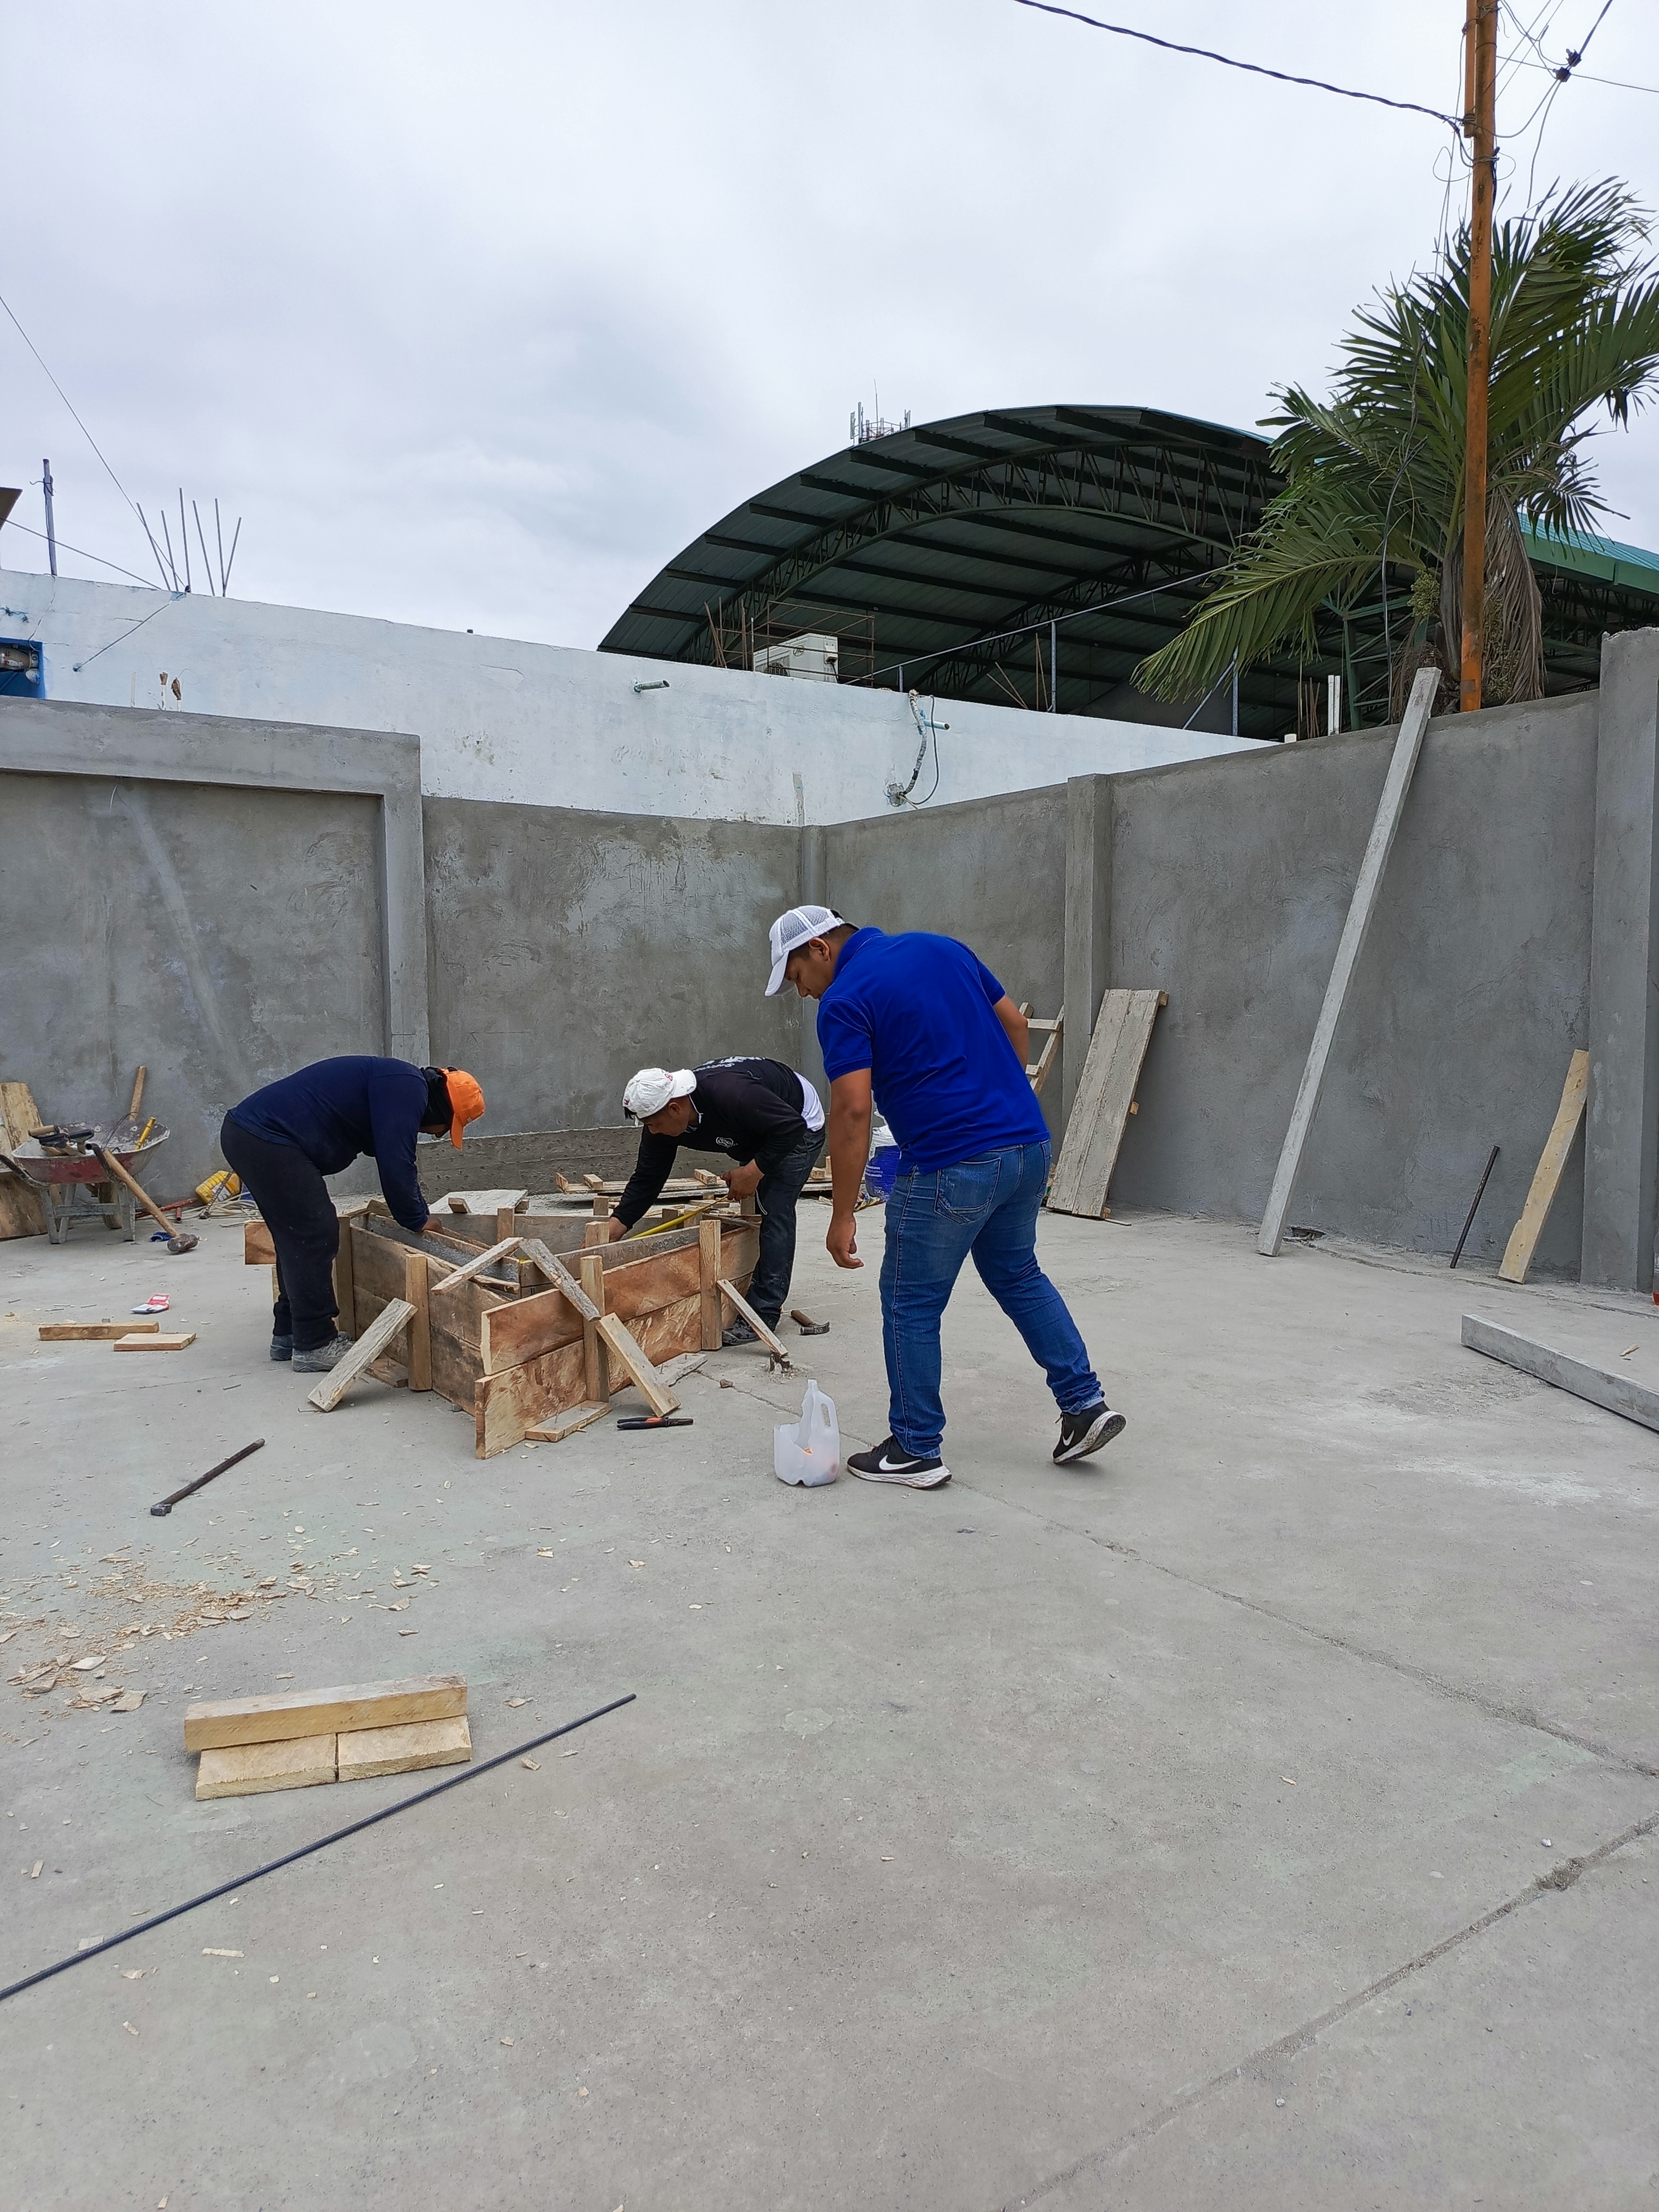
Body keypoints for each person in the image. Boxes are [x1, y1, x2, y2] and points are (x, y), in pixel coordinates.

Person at [765, 903, 1122, 1488]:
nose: (801, 992)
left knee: (910, 1301)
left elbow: (852, 1111)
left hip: (949, 1161)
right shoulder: (942, 947)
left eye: (796, 976)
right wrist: (998, 1103)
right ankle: (1084, 1404)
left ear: (820, 948)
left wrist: (842, 1212)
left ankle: (915, 1447)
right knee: (1018, 1274)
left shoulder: (845, 1000)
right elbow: (1014, 1024)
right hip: (1027, 1147)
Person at [220, 1056, 484, 1372]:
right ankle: (315, 1343)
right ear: (443, 1108)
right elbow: (397, 1162)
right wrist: (416, 1218)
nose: (438, 1135)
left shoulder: (397, 1083)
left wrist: (415, 1210)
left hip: (250, 1134)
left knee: (297, 1237)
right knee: (315, 1233)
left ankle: (290, 1333)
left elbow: (386, 1148)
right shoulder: (407, 1087)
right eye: (445, 1129)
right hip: (266, 1137)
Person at [613, 1059, 824, 1343]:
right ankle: (754, 1280)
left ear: (675, 1108)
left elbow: (790, 1127)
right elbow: (648, 1177)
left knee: (774, 1208)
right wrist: (619, 1223)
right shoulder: (663, 1118)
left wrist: (752, 1172)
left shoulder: (731, 1094)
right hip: (760, 1126)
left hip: (798, 1121)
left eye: (654, 1124)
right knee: (760, 1198)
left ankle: (761, 1315)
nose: (652, 1132)